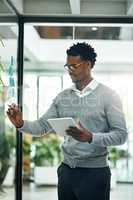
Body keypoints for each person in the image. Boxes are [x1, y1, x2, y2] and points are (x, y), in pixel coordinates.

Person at [7, 42, 127, 200]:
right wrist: (21, 123)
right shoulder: (63, 97)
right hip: (66, 173)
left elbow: (121, 135)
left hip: (95, 174)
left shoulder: (109, 96)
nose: (70, 70)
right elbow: (42, 126)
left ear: (88, 64)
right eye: (67, 66)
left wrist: (90, 137)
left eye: (74, 66)